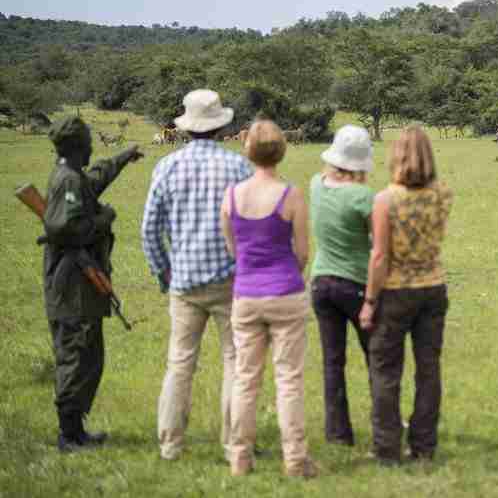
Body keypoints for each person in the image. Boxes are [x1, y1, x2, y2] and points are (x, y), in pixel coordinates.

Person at [141, 89, 252, 461]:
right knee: (235, 362)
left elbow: (149, 230)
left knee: (179, 362)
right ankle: (233, 444)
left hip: (184, 281)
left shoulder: (166, 166)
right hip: (230, 280)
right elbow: (252, 225)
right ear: (221, 127)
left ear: (186, 128)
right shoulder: (238, 167)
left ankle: (171, 445)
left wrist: (163, 271)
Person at [220, 120, 317, 478]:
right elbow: (303, 253)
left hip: (246, 295)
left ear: (247, 150)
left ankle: (239, 459)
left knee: (246, 379)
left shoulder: (231, 196)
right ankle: (294, 459)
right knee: (288, 379)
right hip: (286, 292)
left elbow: (233, 248)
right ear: (282, 151)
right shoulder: (290, 194)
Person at [42, 115, 143, 452]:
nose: (91, 149)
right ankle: (68, 435)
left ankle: (77, 430)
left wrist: (122, 157)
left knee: (89, 354)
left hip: (80, 285)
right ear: (76, 147)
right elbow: (65, 229)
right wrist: (104, 218)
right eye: (88, 144)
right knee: (76, 354)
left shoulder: (74, 177)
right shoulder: (67, 181)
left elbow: (93, 181)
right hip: (72, 285)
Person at [359, 126, 453, 464]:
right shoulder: (443, 193)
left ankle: (387, 449)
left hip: (396, 292)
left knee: (386, 371)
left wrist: (369, 301)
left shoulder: (385, 199)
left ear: (396, 155)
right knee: (428, 370)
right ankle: (424, 446)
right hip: (432, 288)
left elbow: (380, 255)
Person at [309, 125, 375, 446]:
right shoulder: (363, 197)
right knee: (377, 357)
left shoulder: (315, 184)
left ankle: (337, 434)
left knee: (333, 360)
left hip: (321, 282)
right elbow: (379, 243)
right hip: (357, 285)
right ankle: (385, 424)